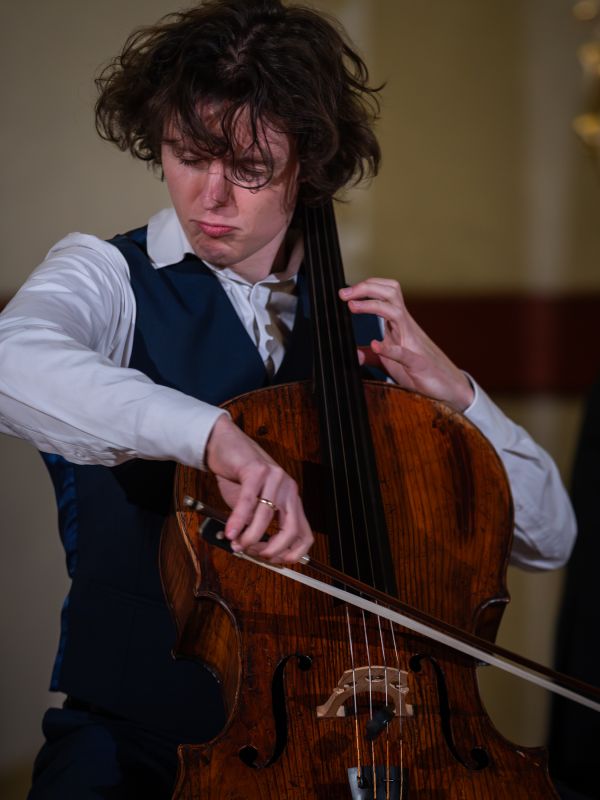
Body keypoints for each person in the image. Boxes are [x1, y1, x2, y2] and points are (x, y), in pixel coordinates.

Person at [0, 0, 576, 797]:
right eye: (187, 155)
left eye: (249, 168)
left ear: (308, 164)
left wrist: (463, 398)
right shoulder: (105, 276)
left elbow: (550, 538)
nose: (209, 197)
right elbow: (13, 360)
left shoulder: (366, 330)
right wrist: (214, 437)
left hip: (373, 752)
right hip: (137, 749)